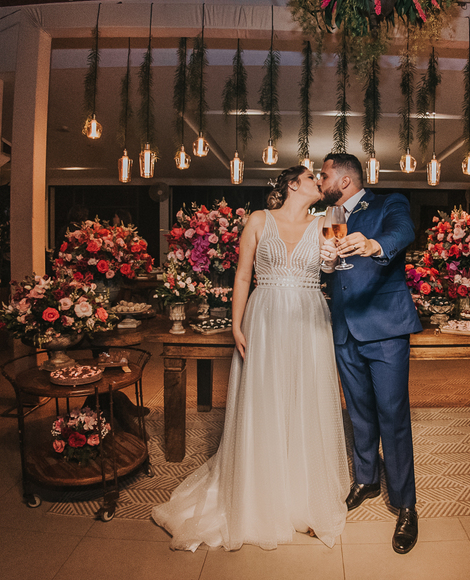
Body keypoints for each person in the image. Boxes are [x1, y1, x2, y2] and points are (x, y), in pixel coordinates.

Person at [153, 166, 349, 551]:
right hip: (266, 315)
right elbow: (242, 276)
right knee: (266, 399)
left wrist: (333, 253)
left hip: (310, 317)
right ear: (293, 184)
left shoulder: (331, 218)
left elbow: (332, 269)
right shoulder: (259, 219)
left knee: (306, 399)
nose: (320, 183)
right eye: (313, 177)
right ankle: (261, 493)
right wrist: (237, 326)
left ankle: (305, 497)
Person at [317, 152, 422, 554]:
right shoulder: (328, 218)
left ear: (344, 180)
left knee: (392, 415)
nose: (320, 180)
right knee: (358, 412)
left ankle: (405, 503)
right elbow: (334, 271)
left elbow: (403, 232)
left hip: (385, 328)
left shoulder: (387, 203)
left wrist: (374, 243)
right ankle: (366, 480)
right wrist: (326, 265)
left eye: (324, 174)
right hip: (344, 328)